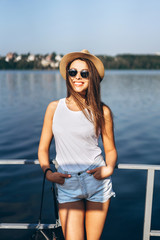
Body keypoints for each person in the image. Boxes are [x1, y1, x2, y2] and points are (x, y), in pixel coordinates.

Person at [38, 49, 117, 240]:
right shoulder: (54, 108)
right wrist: (48, 173)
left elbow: (111, 149)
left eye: (84, 73)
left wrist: (109, 168)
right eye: (73, 72)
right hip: (67, 183)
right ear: (67, 76)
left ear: (93, 78)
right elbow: (42, 148)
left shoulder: (102, 111)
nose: (78, 77)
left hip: (97, 182)